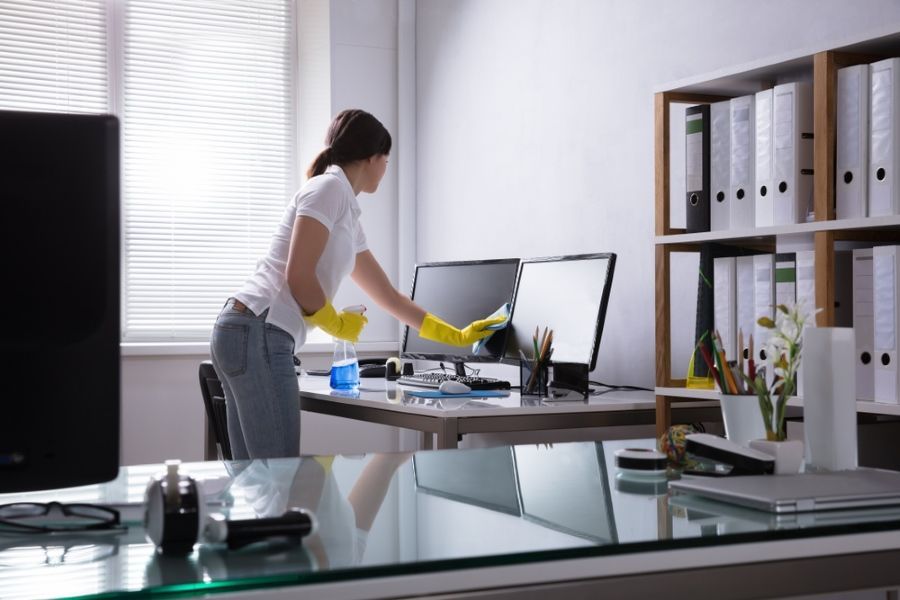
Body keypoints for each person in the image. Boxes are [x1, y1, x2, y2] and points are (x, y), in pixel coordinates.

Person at [210, 109, 503, 460]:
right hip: (259, 328)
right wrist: (334, 323)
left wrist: (456, 335)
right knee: (278, 477)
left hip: (246, 328)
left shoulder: (346, 212)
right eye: (387, 159)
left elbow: (389, 297)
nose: (386, 167)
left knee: (258, 482)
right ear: (372, 157)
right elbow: (298, 274)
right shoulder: (329, 189)